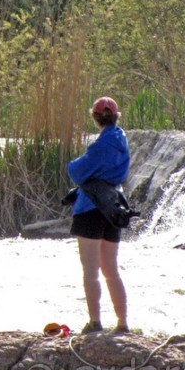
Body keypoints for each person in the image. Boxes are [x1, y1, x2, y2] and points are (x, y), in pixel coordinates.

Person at [67, 96, 131, 334]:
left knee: (91, 271)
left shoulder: (98, 147)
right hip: (113, 208)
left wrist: (72, 164)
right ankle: (122, 323)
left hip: (90, 209)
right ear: (116, 116)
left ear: (95, 117)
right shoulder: (122, 140)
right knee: (111, 270)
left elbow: (77, 172)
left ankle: (95, 323)